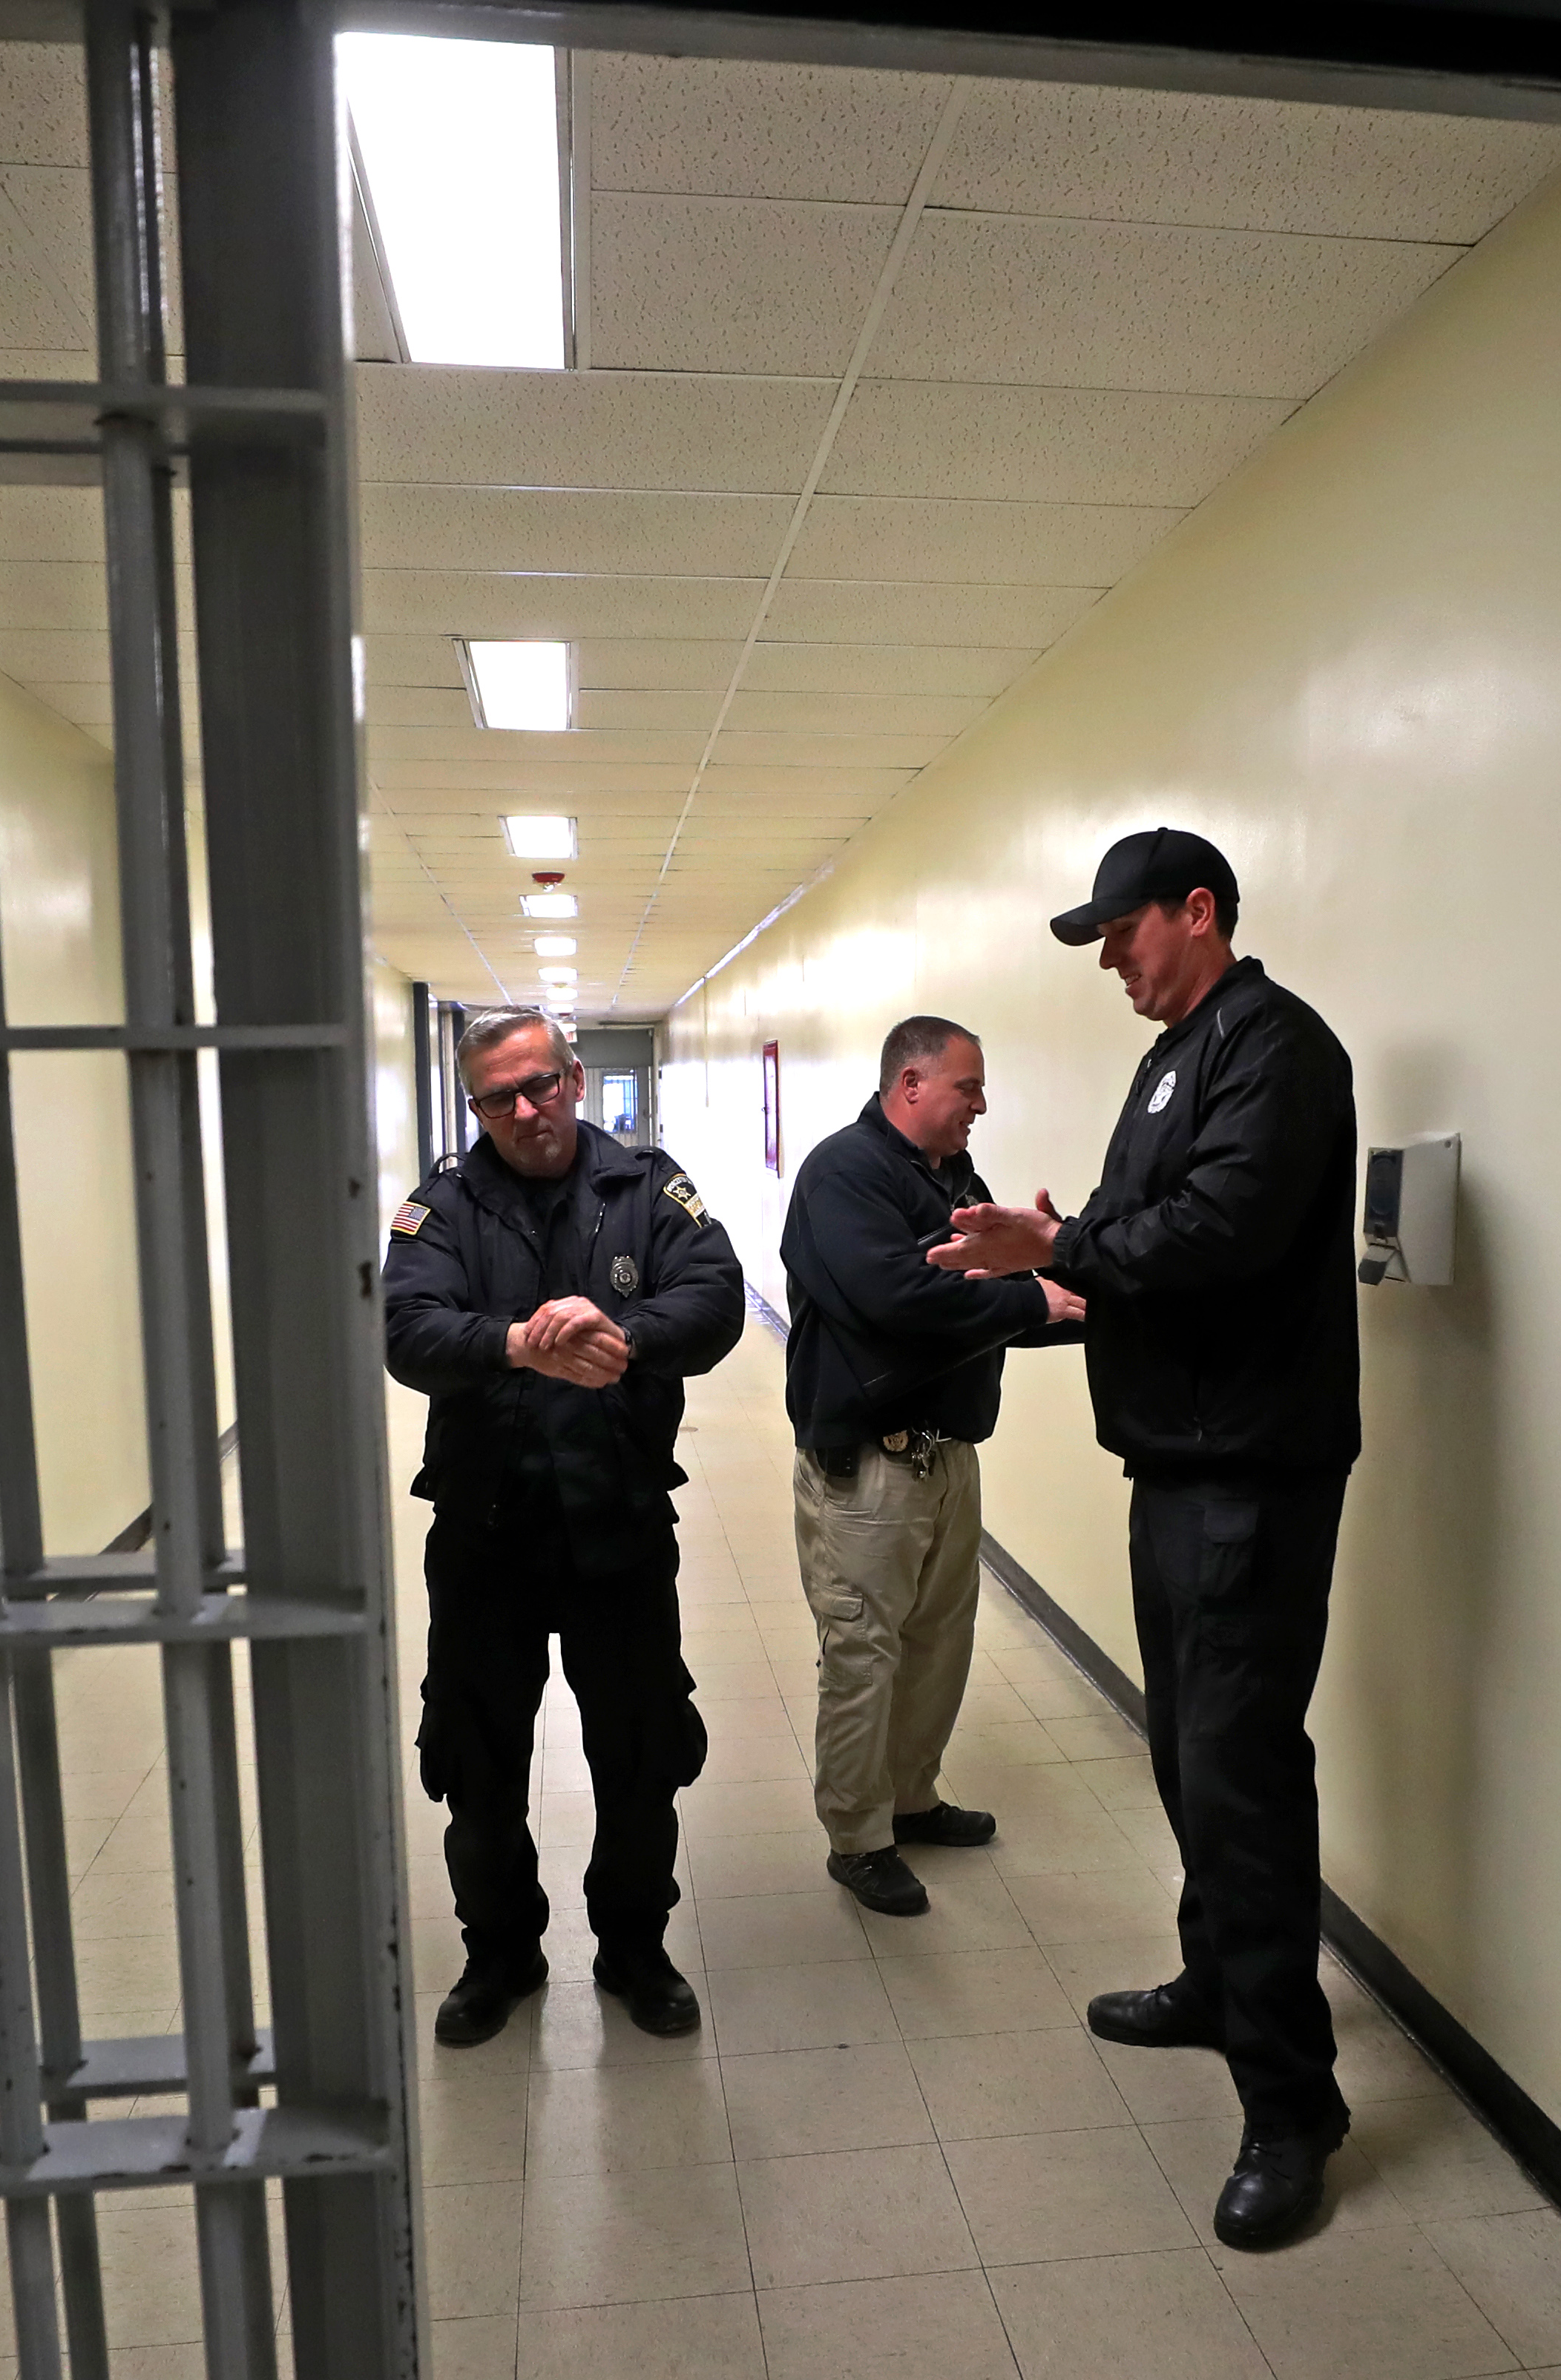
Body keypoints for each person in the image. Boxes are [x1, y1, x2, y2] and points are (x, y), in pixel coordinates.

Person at [929, 827, 1360, 2251]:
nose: (1109, 957)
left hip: (1252, 1471)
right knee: (1186, 1746)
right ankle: (1216, 1980)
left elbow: (1222, 1228)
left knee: (1241, 1774)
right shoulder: (1174, 1052)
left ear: (1198, 910)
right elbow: (1143, 1219)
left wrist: (1054, 1250)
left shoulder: (1278, 1047)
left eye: (1122, 930)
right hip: (1175, 1463)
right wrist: (1069, 1235)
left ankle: (1292, 2103)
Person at [382, 1006, 746, 2047]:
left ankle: (635, 1948)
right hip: (486, 1533)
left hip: (618, 1529)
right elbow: (407, 1332)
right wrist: (514, 1344)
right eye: (499, 1095)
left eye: (540, 1083)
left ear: (576, 1080)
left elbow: (715, 1300)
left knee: (638, 1757)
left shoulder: (645, 1186)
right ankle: (499, 1954)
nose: (526, 1108)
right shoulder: (440, 1208)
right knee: (477, 1761)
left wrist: (617, 1335)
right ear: (476, 1106)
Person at [780, 1016, 1086, 1918]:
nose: (981, 1105)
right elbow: (896, 1298)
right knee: (865, 1650)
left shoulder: (954, 1179)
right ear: (911, 1084)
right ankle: (856, 1835)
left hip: (948, 1456)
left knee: (938, 1640)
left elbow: (979, 1295)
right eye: (969, 1087)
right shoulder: (843, 1173)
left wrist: (1064, 1304)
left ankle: (910, 1796)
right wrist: (1026, 1294)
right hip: (868, 1466)